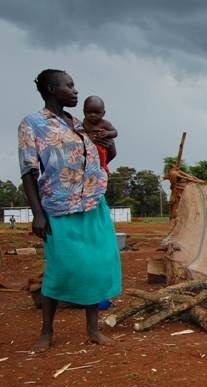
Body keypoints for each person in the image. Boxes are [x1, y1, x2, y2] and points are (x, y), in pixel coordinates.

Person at [18, 69, 121, 352]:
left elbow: (100, 156)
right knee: (60, 267)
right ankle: (47, 331)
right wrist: (37, 214)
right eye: (69, 85)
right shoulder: (33, 124)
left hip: (92, 202)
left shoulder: (78, 124)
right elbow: (28, 171)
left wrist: (110, 149)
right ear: (52, 89)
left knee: (96, 265)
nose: (76, 91)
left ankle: (92, 330)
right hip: (59, 207)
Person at [82, 95, 117, 173]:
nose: (92, 115)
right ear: (84, 112)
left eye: (97, 112)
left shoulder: (104, 124)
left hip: (100, 147)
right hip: (87, 149)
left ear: (103, 113)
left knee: (101, 161)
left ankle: (102, 169)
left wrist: (108, 133)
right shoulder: (83, 123)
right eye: (89, 112)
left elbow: (115, 132)